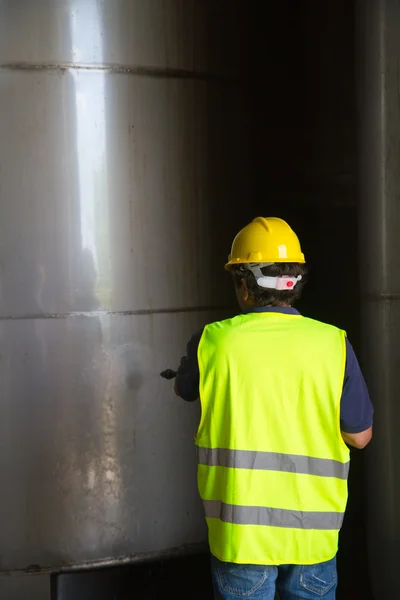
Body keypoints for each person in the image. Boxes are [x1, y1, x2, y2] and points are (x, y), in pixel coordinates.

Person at [174, 217, 373, 600]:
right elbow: (360, 437)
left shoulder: (212, 342)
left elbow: (184, 389)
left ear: (243, 284)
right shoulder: (333, 343)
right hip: (312, 540)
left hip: (242, 540)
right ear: (296, 282)